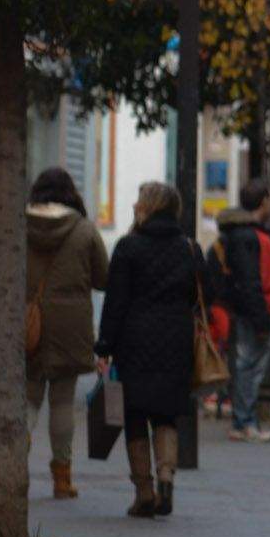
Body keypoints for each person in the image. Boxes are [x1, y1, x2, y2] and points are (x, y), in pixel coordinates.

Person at [98, 181, 201, 518]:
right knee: (166, 414)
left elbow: (115, 302)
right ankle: (167, 480)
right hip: (176, 339)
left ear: (147, 206)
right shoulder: (189, 247)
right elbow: (205, 293)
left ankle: (143, 490)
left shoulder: (129, 247)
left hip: (135, 340)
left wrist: (104, 346)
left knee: (135, 414)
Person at [25, 166, 109, 501]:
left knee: (29, 396)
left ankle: (18, 452)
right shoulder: (84, 230)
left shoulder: (19, 225)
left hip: (28, 321)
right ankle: (62, 478)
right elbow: (104, 278)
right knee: (62, 401)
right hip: (70, 324)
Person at [209, 174, 270, 442]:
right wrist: (261, 319)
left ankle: (244, 420)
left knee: (245, 365)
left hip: (244, 309)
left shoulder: (235, 233)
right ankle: (244, 422)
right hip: (254, 312)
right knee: (249, 366)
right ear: (265, 201)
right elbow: (250, 281)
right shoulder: (248, 237)